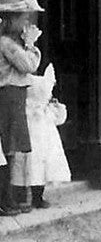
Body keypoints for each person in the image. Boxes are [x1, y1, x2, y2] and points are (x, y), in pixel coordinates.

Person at [0, 0, 43, 215]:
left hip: (13, 97)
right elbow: (28, 66)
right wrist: (31, 44)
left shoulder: (9, 42)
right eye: (24, 18)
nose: (27, 23)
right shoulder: (7, 43)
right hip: (8, 97)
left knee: (11, 150)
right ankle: (5, 201)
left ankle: (9, 199)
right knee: (7, 149)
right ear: (12, 19)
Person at [11, 64, 70, 209]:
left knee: (36, 160)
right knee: (31, 159)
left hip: (40, 125)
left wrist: (51, 106)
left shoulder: (39, 83)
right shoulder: (31, 81)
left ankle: (32, 197)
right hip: (33, 124)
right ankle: (28, 197)